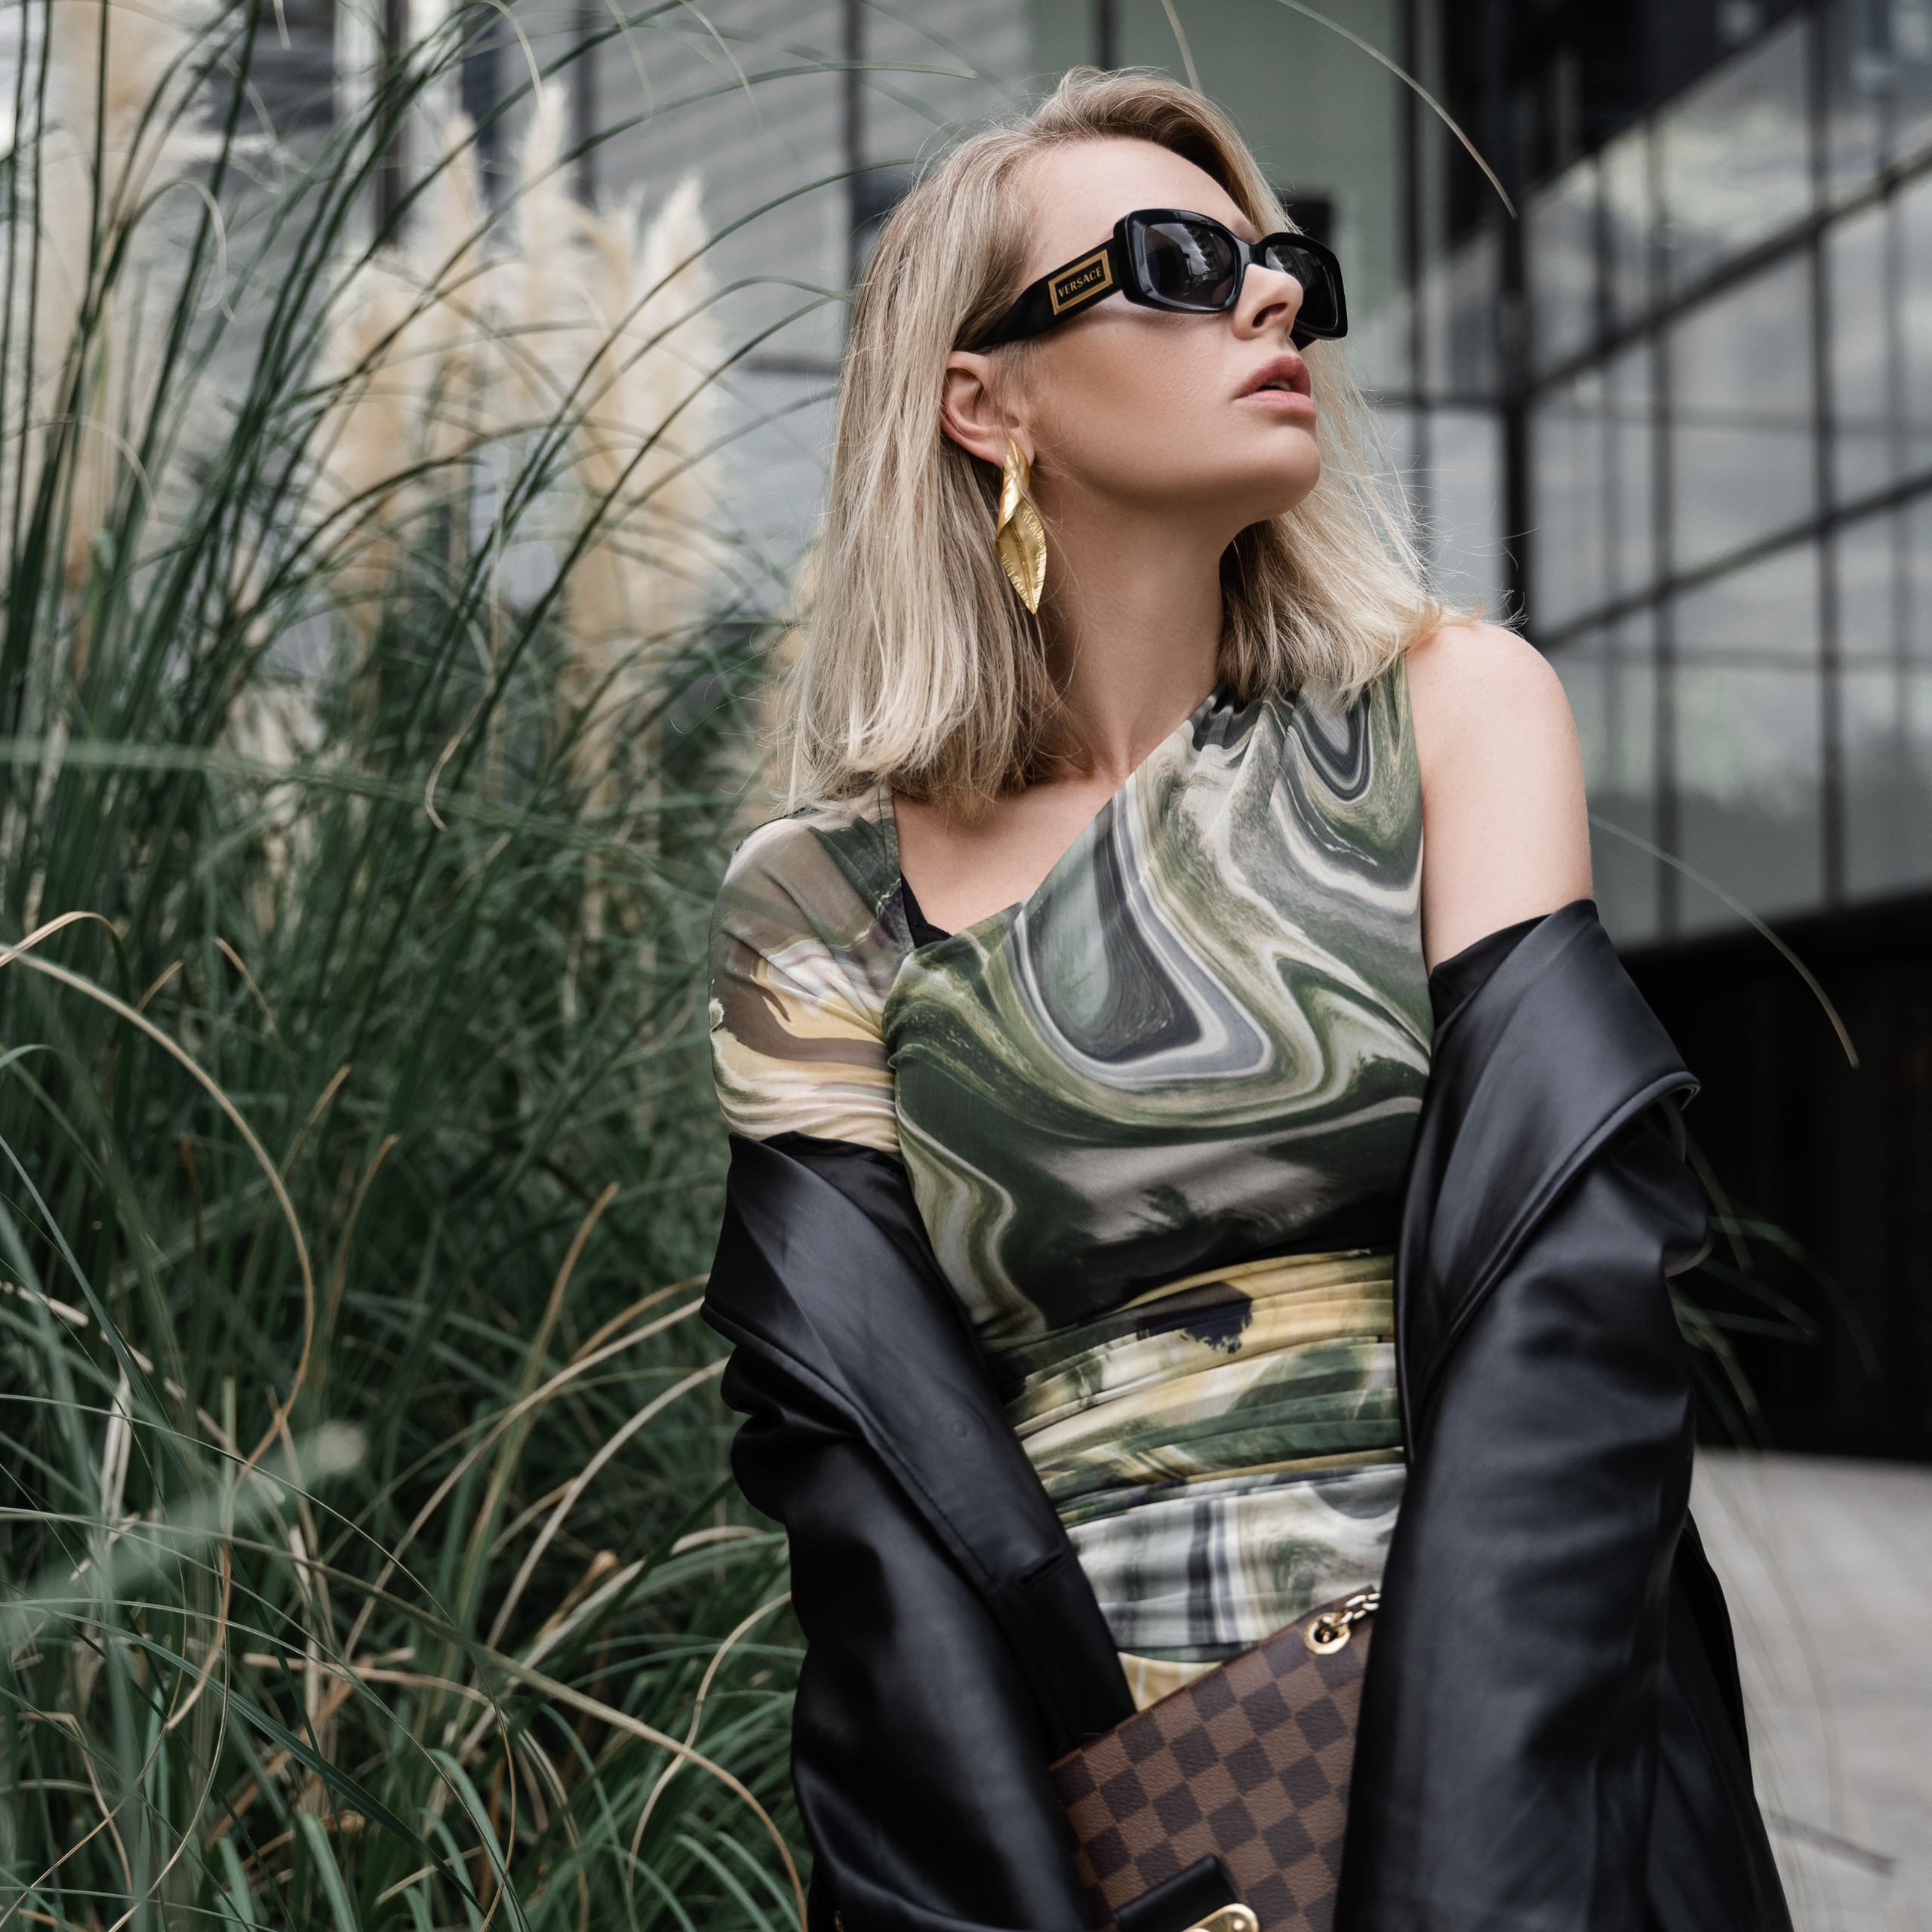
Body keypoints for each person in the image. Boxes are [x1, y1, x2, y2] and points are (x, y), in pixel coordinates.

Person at [703, 67, 1791, 1932]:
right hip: (1066, 1777)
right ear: (984, 398)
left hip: (1482, 1719)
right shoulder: (816, 893)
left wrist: (1465, 1873)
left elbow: (1565, 1322)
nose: (1272, 295)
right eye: (1173, 263)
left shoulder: (1448, 710)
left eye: (1282, 262)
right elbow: (862, 1482)